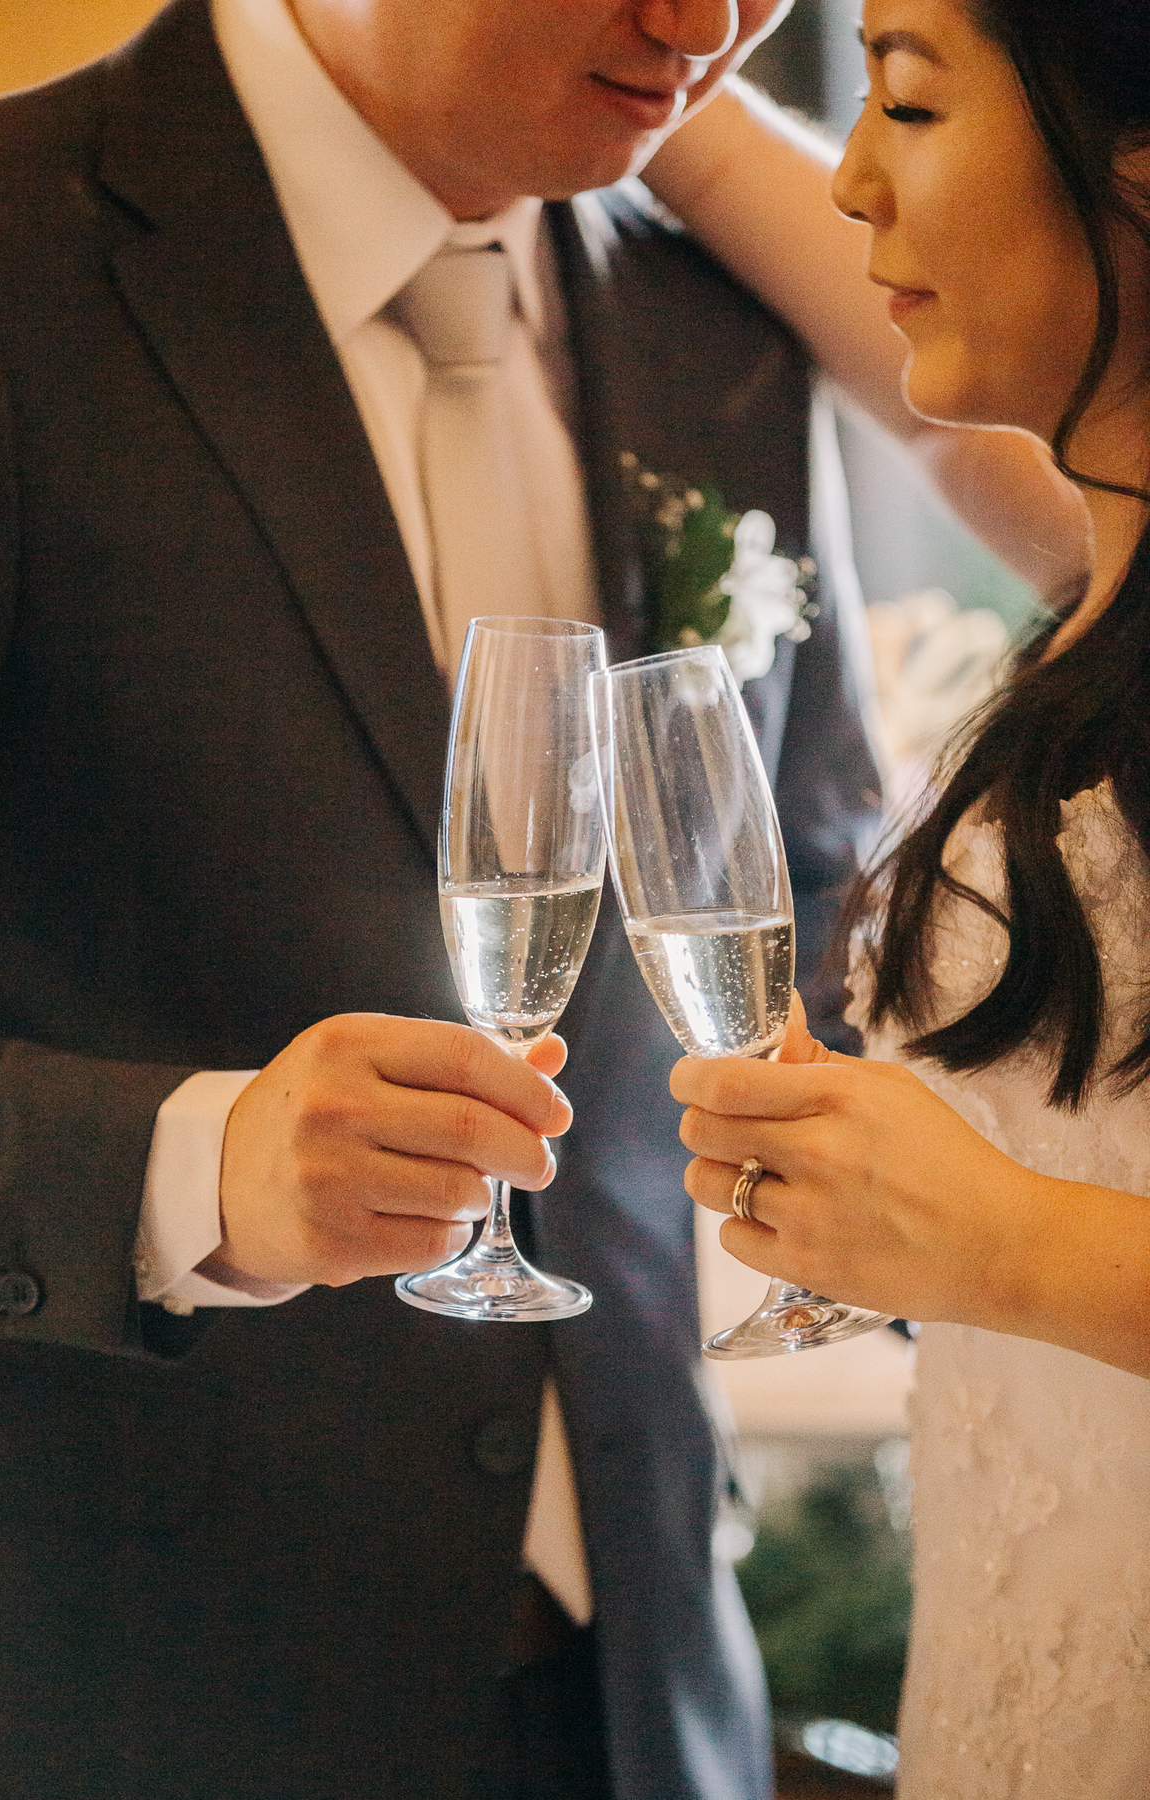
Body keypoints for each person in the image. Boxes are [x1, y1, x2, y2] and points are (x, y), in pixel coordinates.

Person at [0, 0, 907, 1793]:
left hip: (644, 1671)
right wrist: (190, 1170)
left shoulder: (717, 314)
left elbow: (816, 881)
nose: (703, 28)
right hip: (128, 1696)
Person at [658, 1, 1150, 1792]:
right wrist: (655, 108)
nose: (854, 176)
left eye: (912, 100)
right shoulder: (1104, 580)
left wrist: (997, 1237)